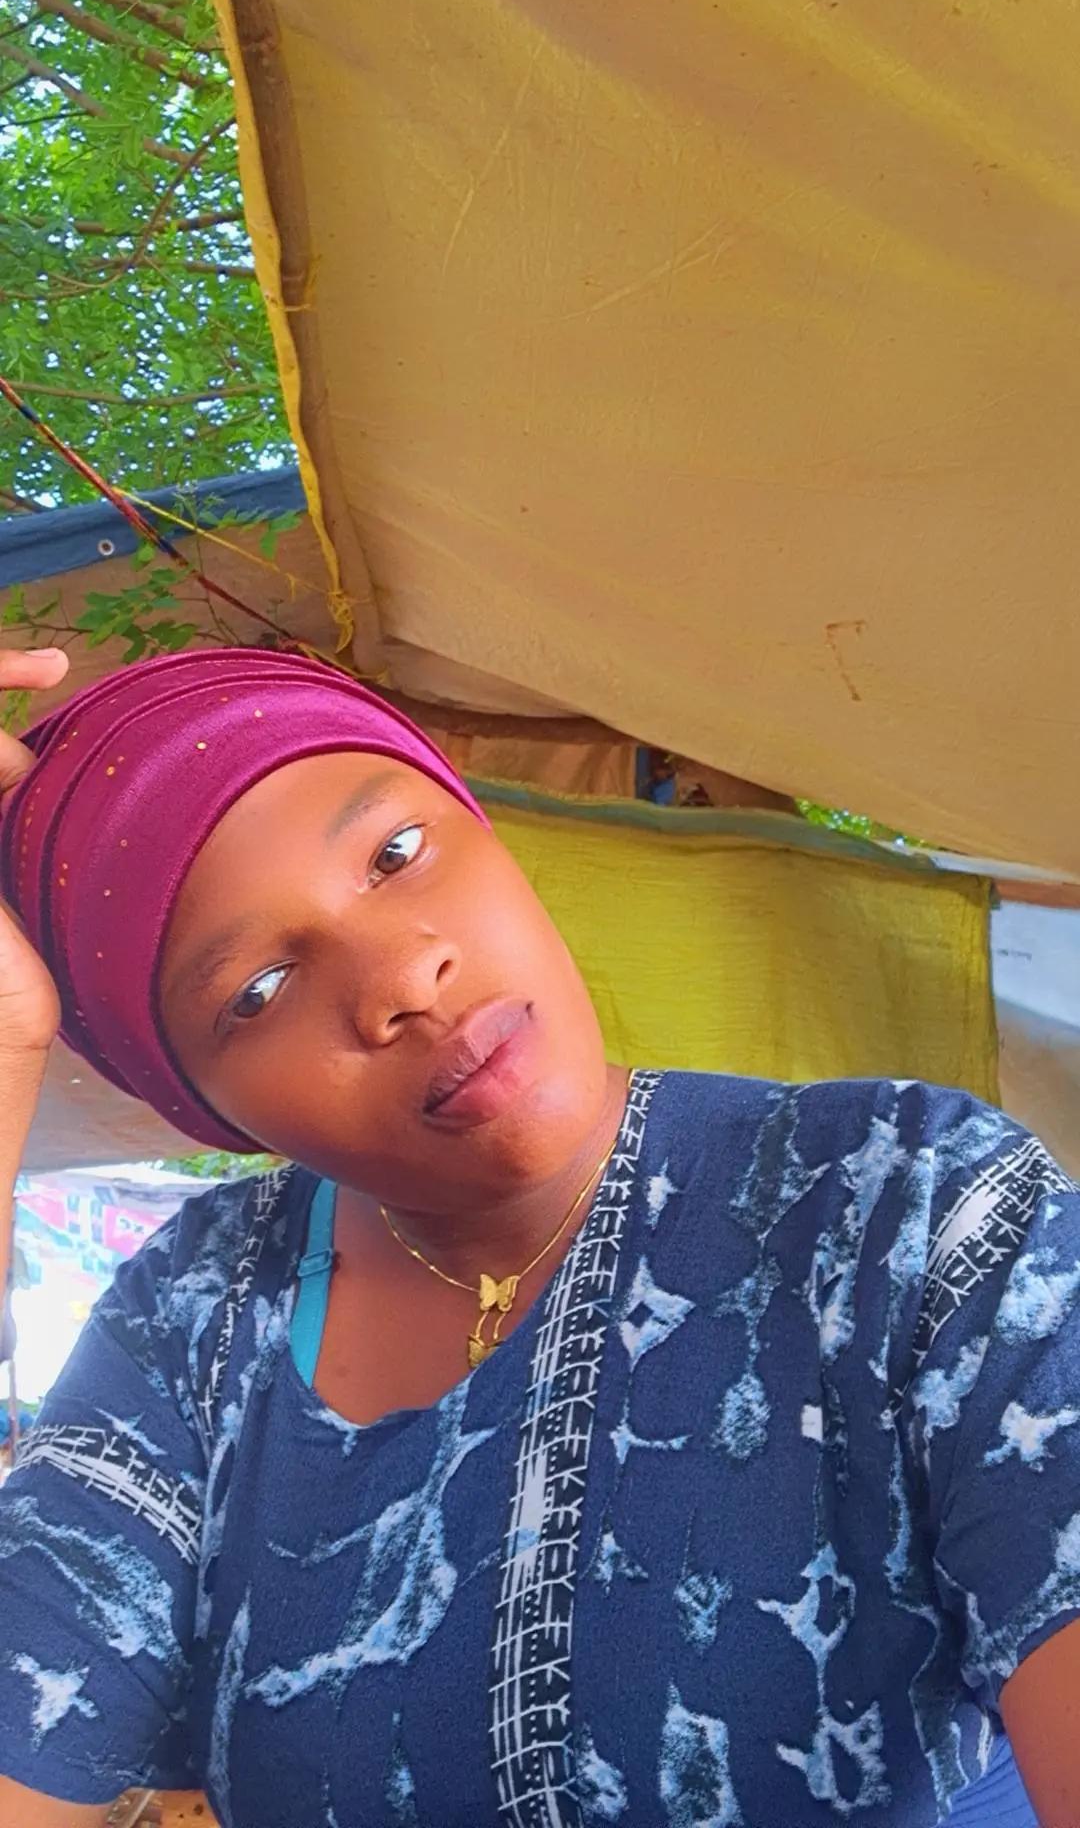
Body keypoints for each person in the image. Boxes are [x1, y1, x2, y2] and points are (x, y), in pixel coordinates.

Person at [0, 643, 1076, 1828]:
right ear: (196, 1103)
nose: (406, 976)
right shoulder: (192, 1324)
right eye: (256, 991)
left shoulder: (910, 1205)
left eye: (397, 853)